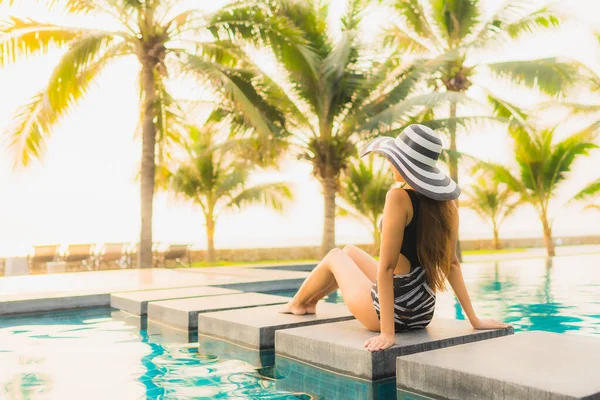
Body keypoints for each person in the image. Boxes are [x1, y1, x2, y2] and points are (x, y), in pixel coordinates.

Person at [279, 124, 510, 352]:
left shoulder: (398, 197)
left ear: (406, 165)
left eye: (393, 159)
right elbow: (452, 264)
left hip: (392, 314)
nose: (389, 163)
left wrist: (386, 333)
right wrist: (474, 320)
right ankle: (309, 303)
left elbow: (387, 267)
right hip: (422, 313)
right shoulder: (448, 205)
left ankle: (297, 303)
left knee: (335, 255)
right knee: (349, 251)